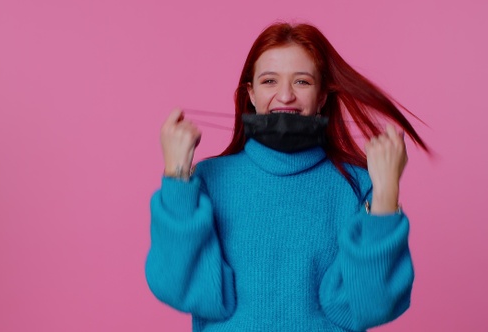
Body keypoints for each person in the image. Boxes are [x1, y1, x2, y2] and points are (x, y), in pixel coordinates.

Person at [145, 22, 428, 332]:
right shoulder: (209, 180)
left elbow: (372, 305)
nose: (285, 95)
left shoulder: (358, 186)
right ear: (251, 93)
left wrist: (386, 191)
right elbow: (181, 288)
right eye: (269, 81)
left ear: (322, 96)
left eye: (302, 82)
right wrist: (175, 175)